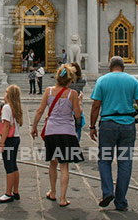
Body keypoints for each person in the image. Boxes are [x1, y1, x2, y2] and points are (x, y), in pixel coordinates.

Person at [89, 56, 138, 212]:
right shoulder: (132, 81)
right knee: (125, 162)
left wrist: (92, 126)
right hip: (127, 126)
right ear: (123, 67)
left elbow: (96, 106)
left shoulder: (102, 80)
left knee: (104, 161)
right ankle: (121, 201)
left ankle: (108, 192)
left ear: (110, 67)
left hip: (108, 125)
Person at [31, 63, 84, 207]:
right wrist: (79, 101)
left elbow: (40, 111)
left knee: (53, 163)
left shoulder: (48, 91)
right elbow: (78, 115)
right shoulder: (72, 94)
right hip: (67, 132)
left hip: (51, 131)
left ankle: (53, 192)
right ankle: (63, 198)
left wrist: (34, 127)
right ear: (70, 79)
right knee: (64, 165)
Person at [0, 84, 23, 203]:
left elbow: (6, 126)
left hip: (9, 140)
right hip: (16, 138)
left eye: (6, 92)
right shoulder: (15, 107)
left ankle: (8, 193)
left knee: (9, 167)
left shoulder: (7, 107)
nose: (4, 94)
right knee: (14, 165)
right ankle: (15, 191)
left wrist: (2, 143)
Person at [68, 62, 86, 141]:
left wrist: (64, 72)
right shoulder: (82, 81)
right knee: (77, 127)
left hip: (69, 107)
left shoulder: (67, 83)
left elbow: (60, 79)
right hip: (78, 107)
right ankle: (76, 142)